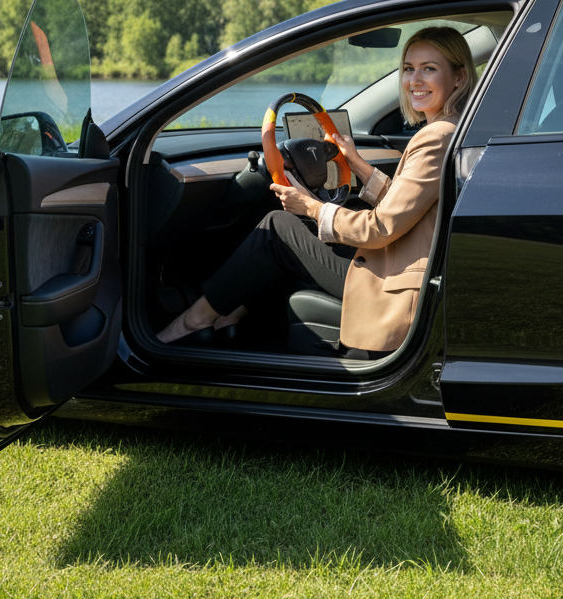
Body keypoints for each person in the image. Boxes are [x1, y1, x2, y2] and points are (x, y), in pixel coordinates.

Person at [158, 26, 476, 357]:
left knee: (279, 228)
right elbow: (410, 206)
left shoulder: (435, 137)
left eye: (429, 69)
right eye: (409, 69)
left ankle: (192, 323)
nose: (415, 80)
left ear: (459, 77)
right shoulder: (455, 129)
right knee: (303, 231)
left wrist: (310, 205)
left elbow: (381, 228)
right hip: (409, 263)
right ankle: (229, 320)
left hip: (397, 281)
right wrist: (357, 164)